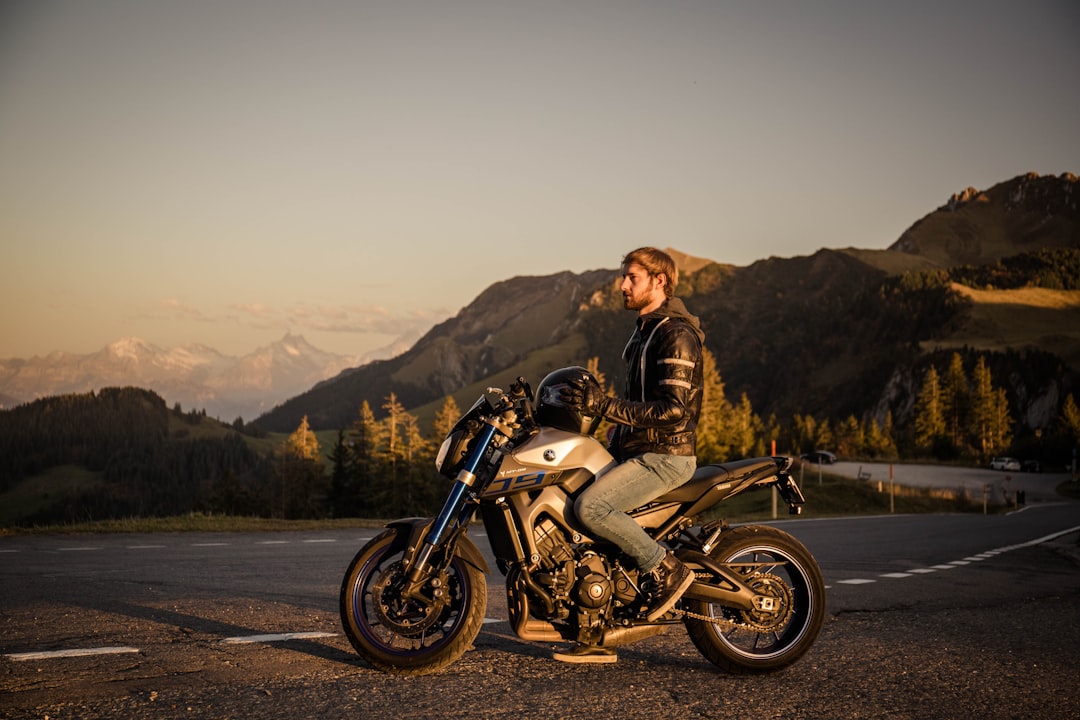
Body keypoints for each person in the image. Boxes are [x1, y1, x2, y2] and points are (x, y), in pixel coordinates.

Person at [554, 247, 705, 663]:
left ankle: (665, 568)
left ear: (660, 282)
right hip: (639, 450)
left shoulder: (676, 333)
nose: (622, 285)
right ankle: (593, 623)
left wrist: (604, 406)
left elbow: (674, 410)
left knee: (592, 507)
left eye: (632, 278)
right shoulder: (644, 332)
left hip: (665, 456)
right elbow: (639, 403)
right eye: (625, 277)